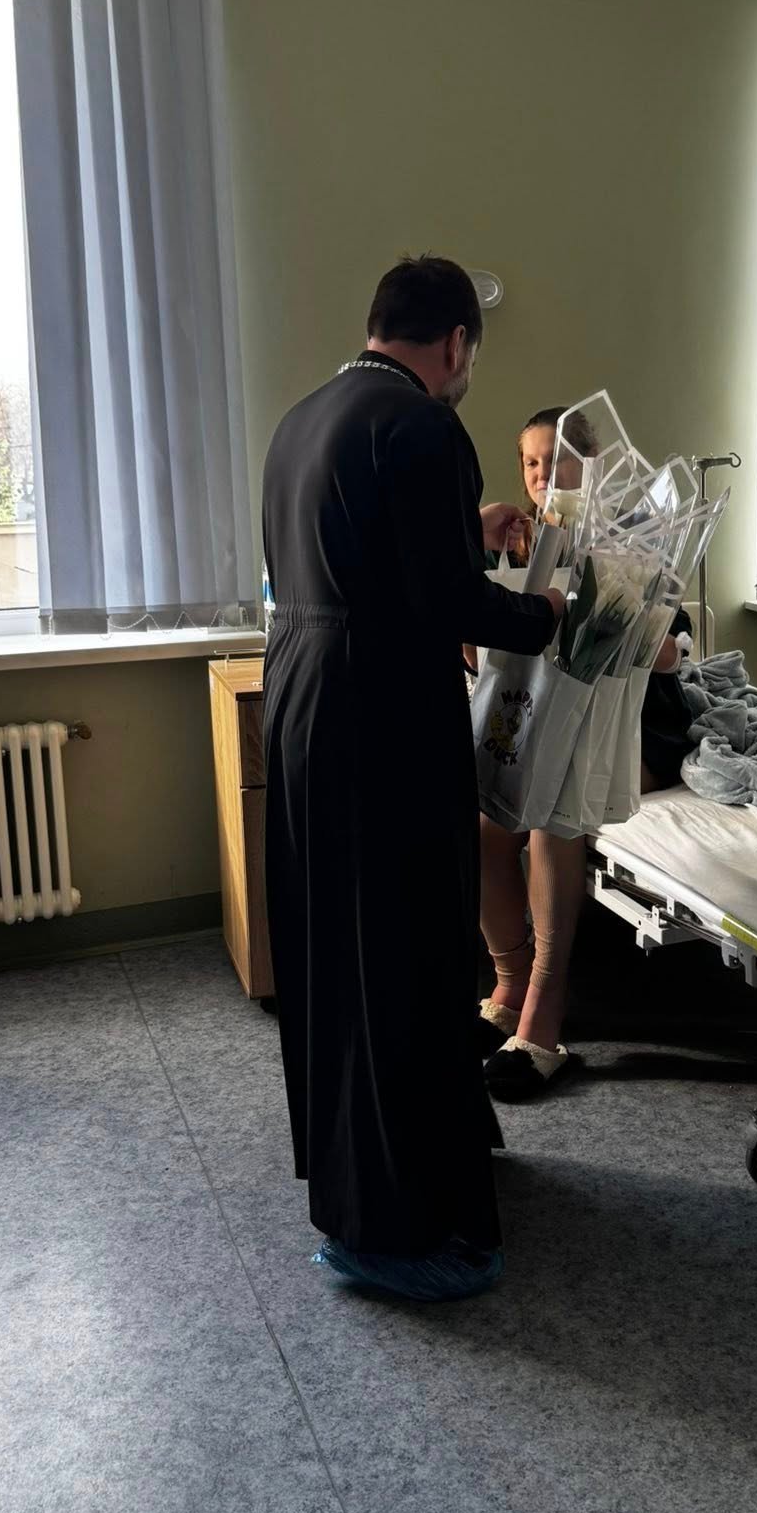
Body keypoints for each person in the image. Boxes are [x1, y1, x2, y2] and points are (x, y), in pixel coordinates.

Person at [261, 257, 564, 1303]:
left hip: (303, 700)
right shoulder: (425, 425)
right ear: (455, 343)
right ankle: (399, 1226)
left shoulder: (304, 419)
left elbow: (356, 561)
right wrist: (550, 612)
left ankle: (381, 1177)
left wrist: (463, 533)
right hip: (379, 715)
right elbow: (452, 607)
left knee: (338, 957)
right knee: (405, 954)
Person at [475, 406, 697, 1100]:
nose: (544, 475)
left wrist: (632, 629)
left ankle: (544, 1011)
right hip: (543, 722)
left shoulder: (633, 537)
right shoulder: (517, 544)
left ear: (595, 466)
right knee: (480, 829)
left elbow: (674, 647)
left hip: (634, 731)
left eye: (559, 460)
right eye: (532, 463)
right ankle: (509, 982)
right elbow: (482, 654)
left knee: (553, 810)